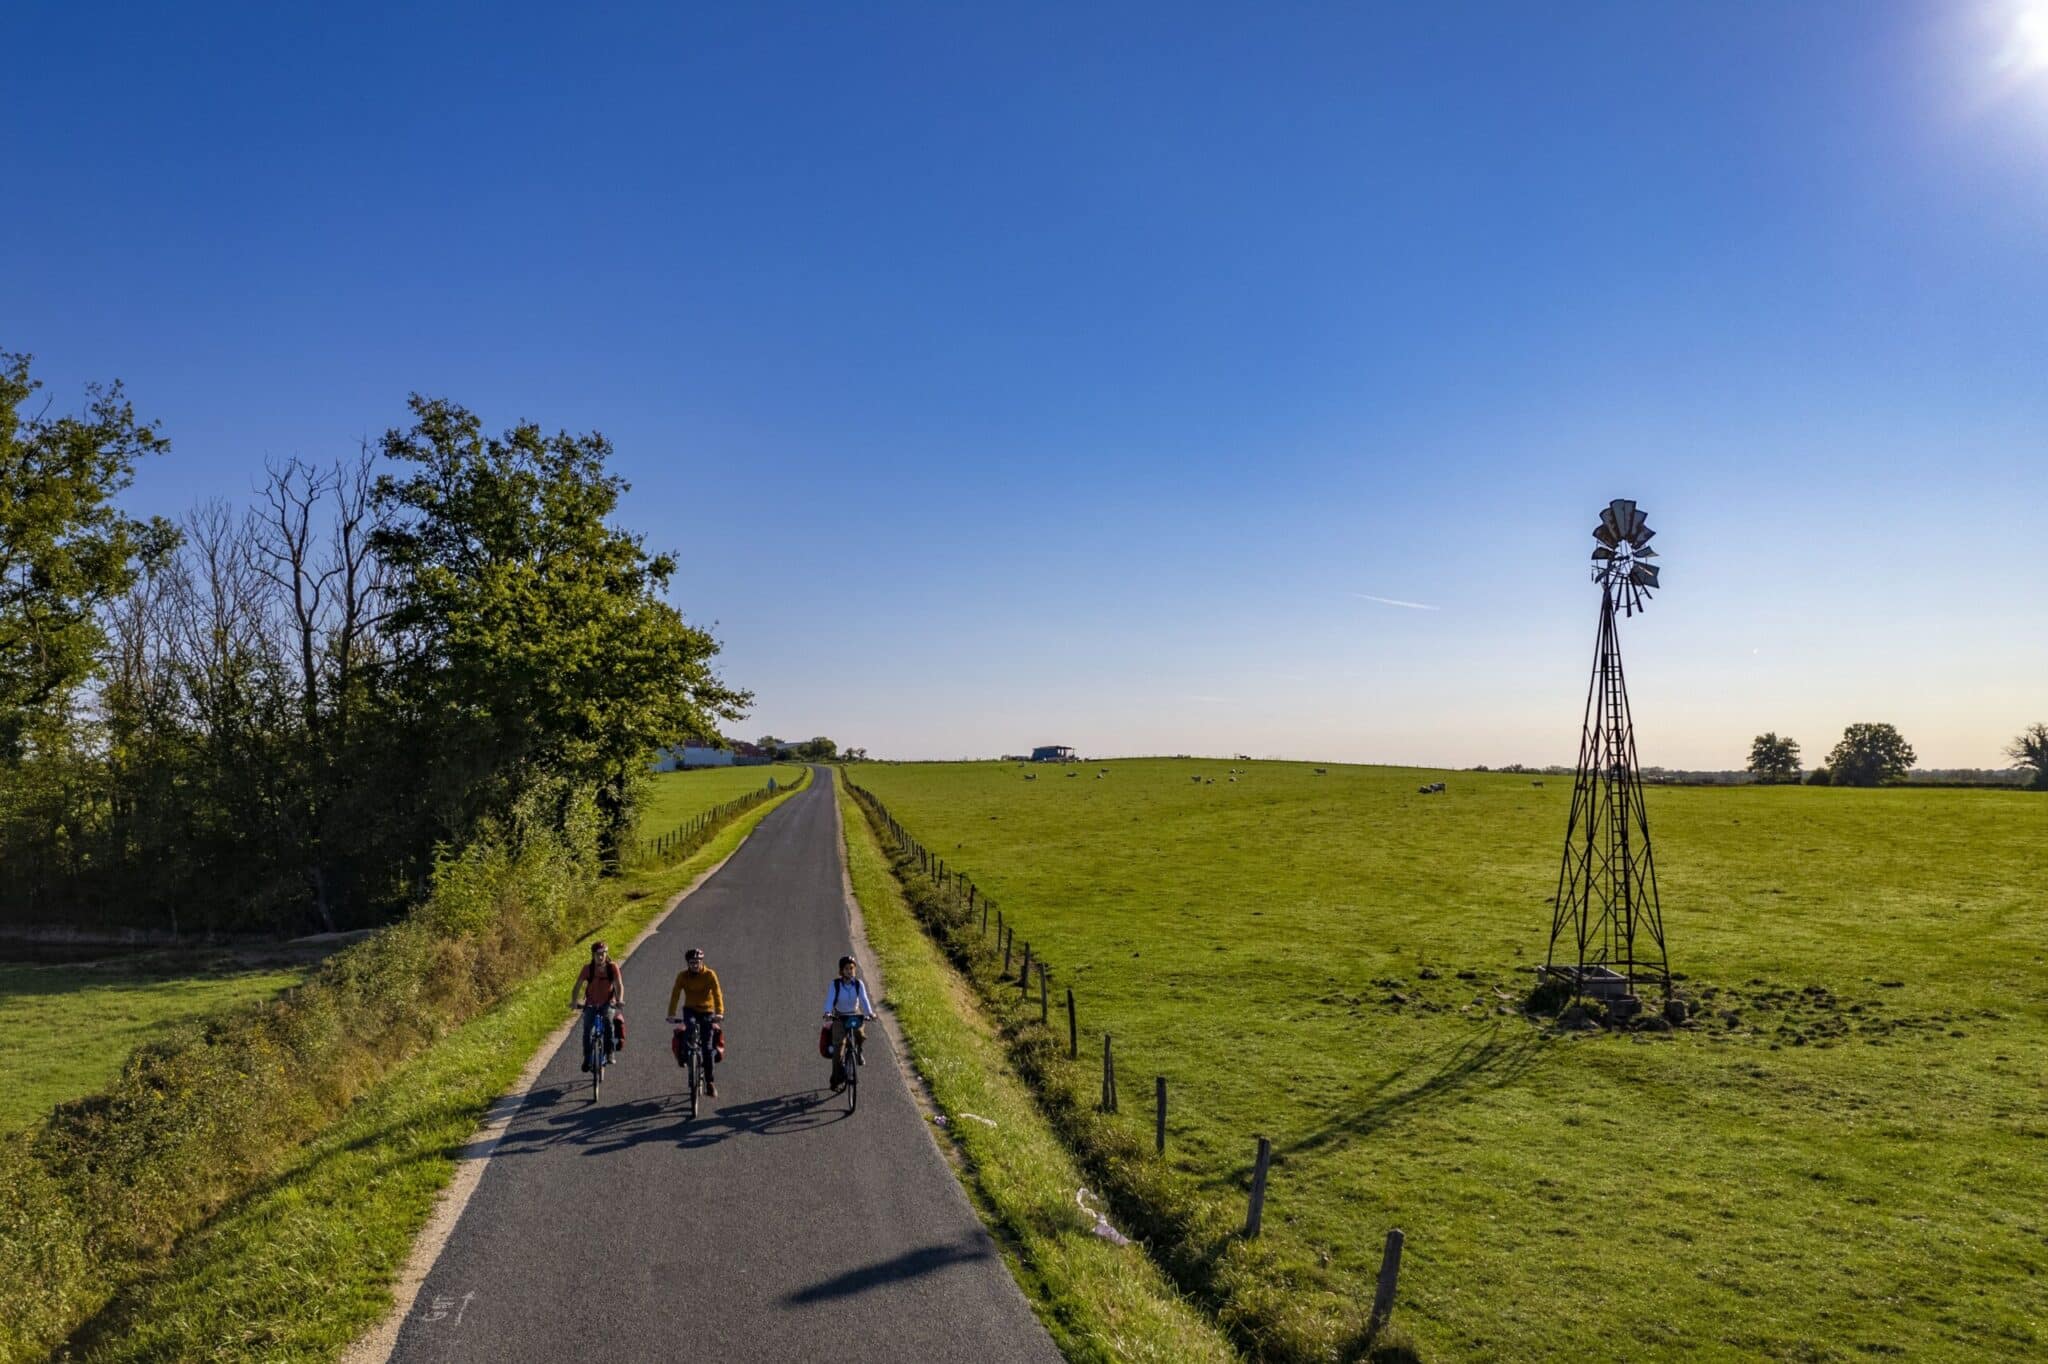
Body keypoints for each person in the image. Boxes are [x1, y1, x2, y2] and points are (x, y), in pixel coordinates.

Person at [666, 947, 725, 1097]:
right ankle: (685, 1056)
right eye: (692, 962)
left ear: (702, 962)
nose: (695, 965)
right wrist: (671, 1014)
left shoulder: (710, 975)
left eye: (697, 962)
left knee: (707, 1048)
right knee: (690, 1026)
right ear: (688, 963)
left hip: (707, 1010)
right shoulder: (682, 976)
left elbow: (717, 993)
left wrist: (719, 1012)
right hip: (690, 1009)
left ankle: (710, 1082)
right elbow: (675, 994)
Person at [821, 954, 875, 1092]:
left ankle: (859, 1051)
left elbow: (864, 1000)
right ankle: (836, 1081)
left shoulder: (858, 984)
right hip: (839, 1017)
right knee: (838, 1051)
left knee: (860, 1035)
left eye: (852, 968)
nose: (850, 971)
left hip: (854, 1015)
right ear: (841, 971)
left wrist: (870, 1013)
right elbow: (830, 1000)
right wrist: (827, 1012)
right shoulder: (835, 985)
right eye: (846, 969)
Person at [569, 940, 624, 1073]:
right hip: (591, 1003)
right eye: (598, 954)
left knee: (608, 1023)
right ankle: (587, 1058)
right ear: (593, 955)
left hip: (607, 1002)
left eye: (603, 954)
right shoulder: (588, 969)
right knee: (587, 1031)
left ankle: (610, 1053)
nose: (600, 957)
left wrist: (619, 999)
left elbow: (619, 985)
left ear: (606, 954)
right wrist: (574, 1001)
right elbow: (577, 986)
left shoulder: (612, 967)